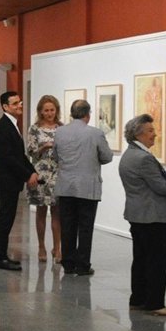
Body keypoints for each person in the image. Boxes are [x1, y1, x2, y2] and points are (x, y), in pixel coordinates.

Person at [119, 114, 166, 316]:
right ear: (138, 134)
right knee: (156, 260)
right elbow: (162, 188)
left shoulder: (128, 155)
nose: (155, 134)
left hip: (137, 214)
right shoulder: (144, 159)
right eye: (150, 131)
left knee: (141, 259)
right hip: (152, 215)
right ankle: (154, 303)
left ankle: (138, 298)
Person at [51, 99, 113, 276]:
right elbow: (107, 156)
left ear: (72, 114)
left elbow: (55, 156)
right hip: (87, 187)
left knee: (67, 225)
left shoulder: (60, 132)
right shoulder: (96, 133)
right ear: (88, 114)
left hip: (65, 186)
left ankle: (68, 263)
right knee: (85, 227)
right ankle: (83, 264)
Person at [0, 91, 39, 271]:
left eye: (20, 102)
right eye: (15, 103)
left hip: (11, 179)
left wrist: (32, 171)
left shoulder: (12, 125)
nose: (19, 106)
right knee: (5, 218)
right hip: (7, 179)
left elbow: (19, 155)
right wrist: (27, 175)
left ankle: (0, 255)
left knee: (7, 217)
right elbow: (8, 158)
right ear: (5, 106)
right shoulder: (3, 127)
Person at [25, 95, 62, 263]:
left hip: (58, 172)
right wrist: (44, 146)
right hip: (40, 173)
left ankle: (57, 247)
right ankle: (41, 246)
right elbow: (30, 152)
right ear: (40, 111)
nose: (49, 113)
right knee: (41, 210)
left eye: (52, 110)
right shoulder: (34, 129)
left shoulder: (62, 128)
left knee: (57, 212)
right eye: (46, 110)